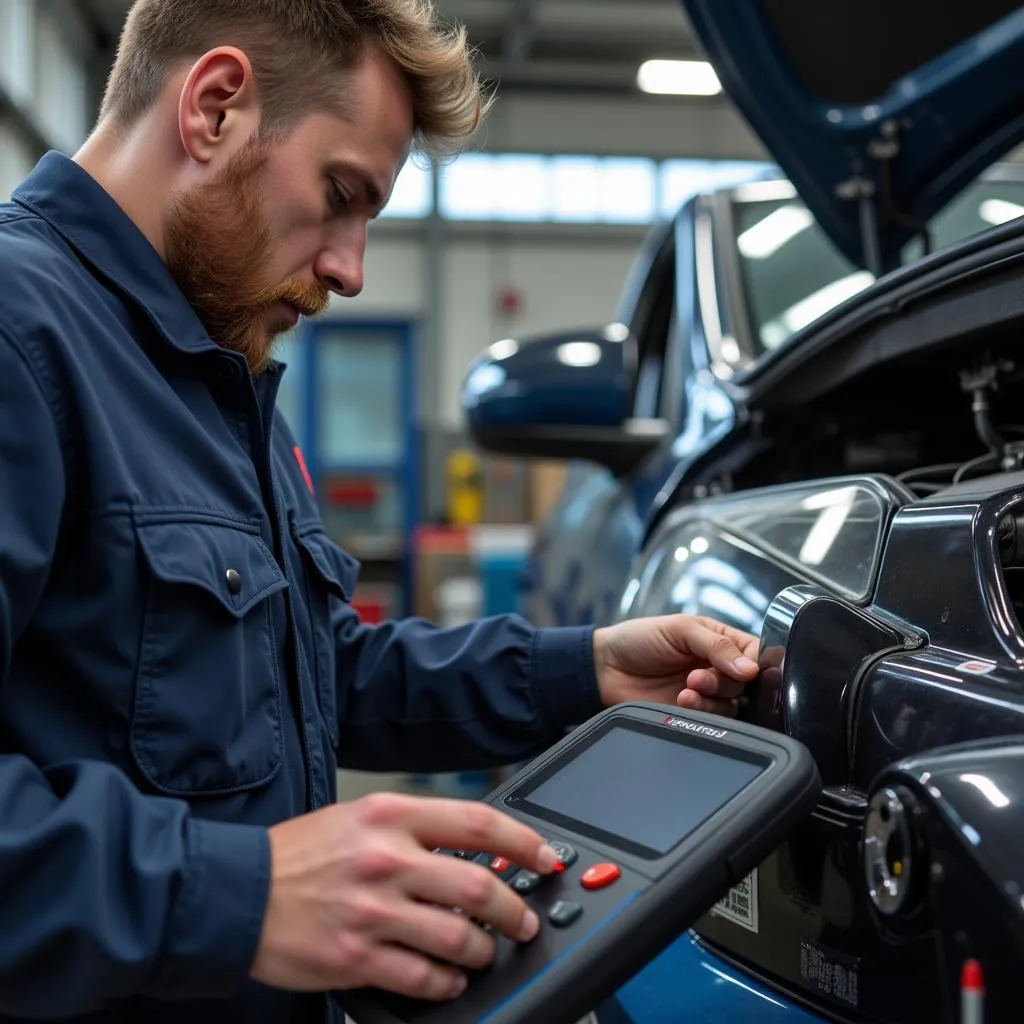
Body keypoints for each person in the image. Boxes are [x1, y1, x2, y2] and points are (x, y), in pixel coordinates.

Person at [0, 2, 761, 1022]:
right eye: (341, 194)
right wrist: (243, 892)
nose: (349, 270)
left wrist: (585, 669)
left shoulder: (221, 374)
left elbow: (311, 672)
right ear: (215, 107)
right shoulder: (21, 334)